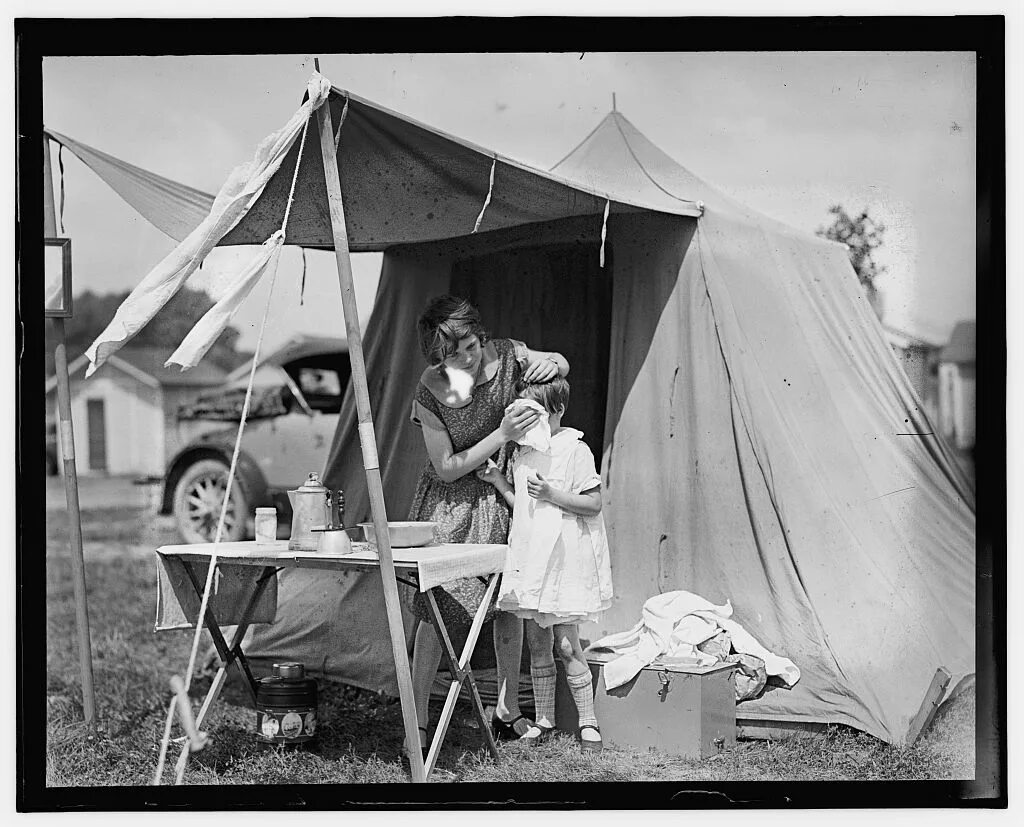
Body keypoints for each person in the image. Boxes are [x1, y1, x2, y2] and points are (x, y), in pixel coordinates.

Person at [406, 295, 570, 757]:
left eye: (471, 346)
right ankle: (416, 724)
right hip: (452, 509)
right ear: (436, 358)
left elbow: (559, 366)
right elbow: (446, 467)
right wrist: (502, 435)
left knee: (507, 606)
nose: (466, 358)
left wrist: (553, 361)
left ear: (481, 334)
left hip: (503, 495)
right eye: (451, 355)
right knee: (436, 614)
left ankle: (505, 708)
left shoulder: (509, 353)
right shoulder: (431, 387)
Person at [477, 375, 613, 752]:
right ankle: (544, 720)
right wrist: (498, 481)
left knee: (567, 645)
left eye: (536, 413)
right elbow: (523, 506)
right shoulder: (523, 453)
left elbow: (593, 504)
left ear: (558, 411)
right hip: (533, 560)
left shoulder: (574, 449)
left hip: (562, 562)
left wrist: (553, 493)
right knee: (537, 643)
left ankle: (588, 722)